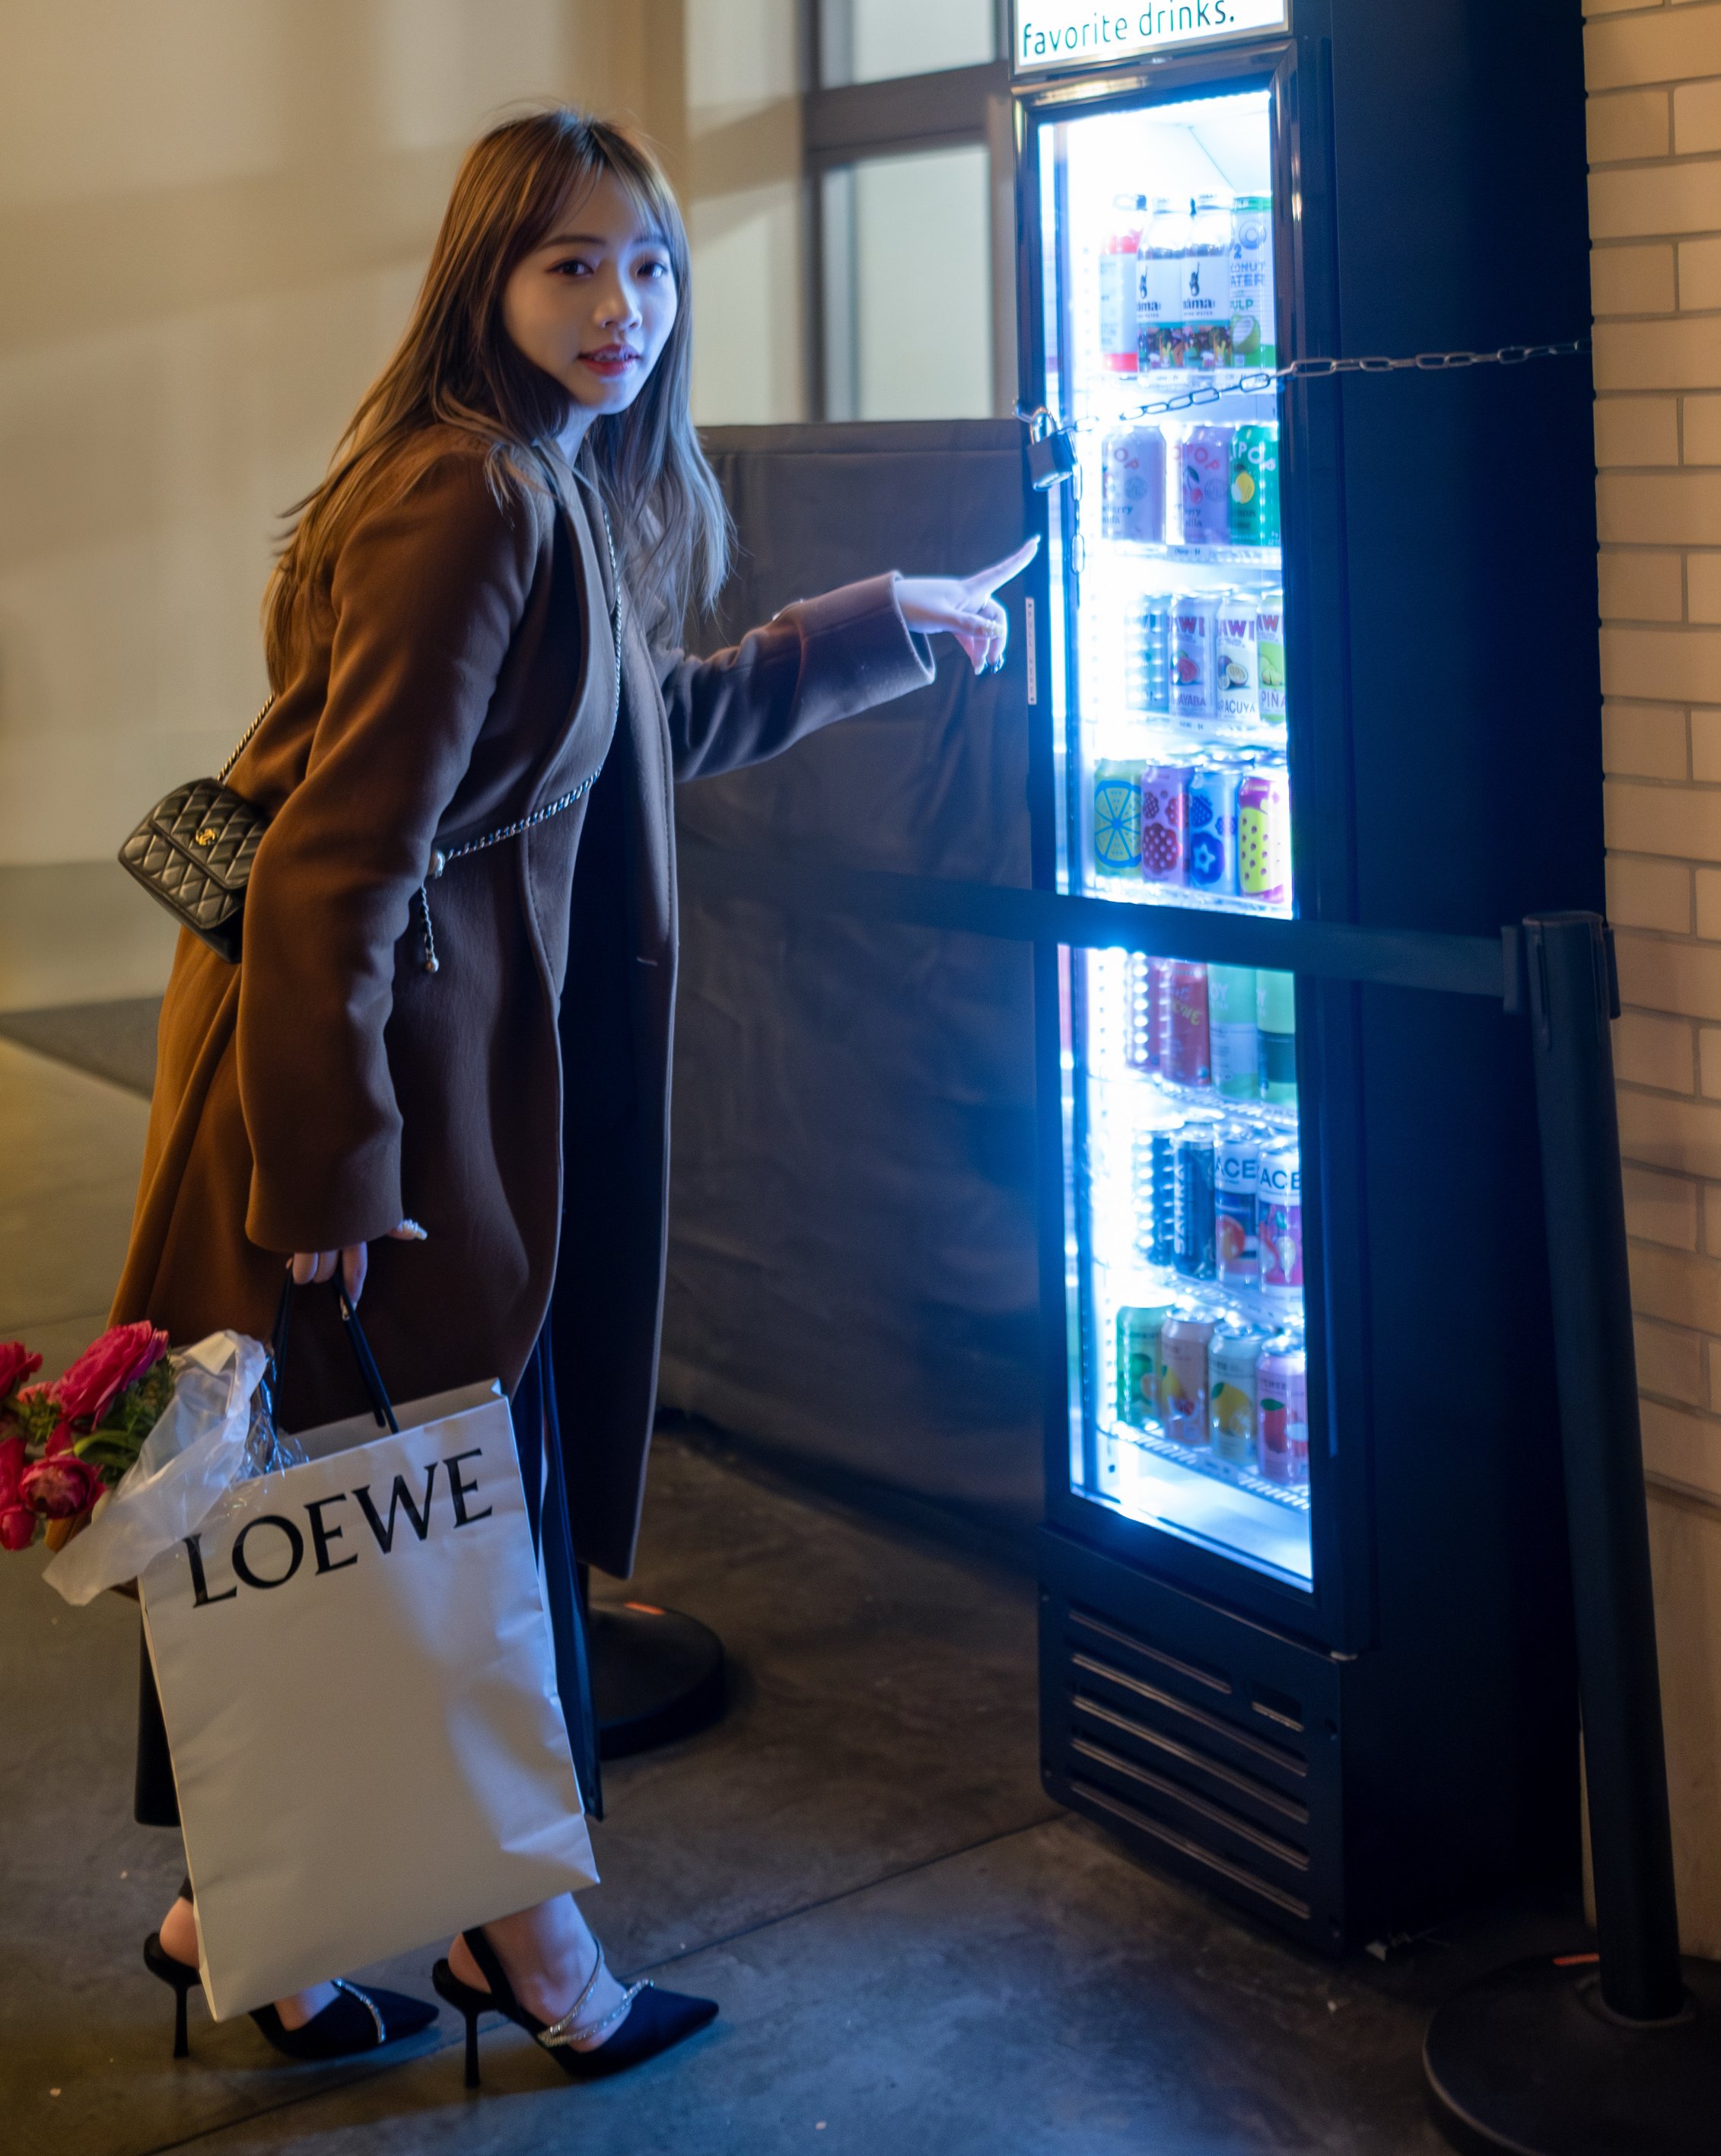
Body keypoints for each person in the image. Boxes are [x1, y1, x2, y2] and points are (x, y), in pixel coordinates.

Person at [113, 110, 1035, 2083]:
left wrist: (883, 626)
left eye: (651, 266)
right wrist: (330, 1172)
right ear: (486, 279)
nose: (623, 306)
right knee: (446, 1516)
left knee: (352, 1501)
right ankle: (529, 1953)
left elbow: (649, 730)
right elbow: (343, 861)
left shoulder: (530, 479)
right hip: (381, 1095)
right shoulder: (477, 500)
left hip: (395, 1078)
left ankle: (239, 1929)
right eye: (571, 265)